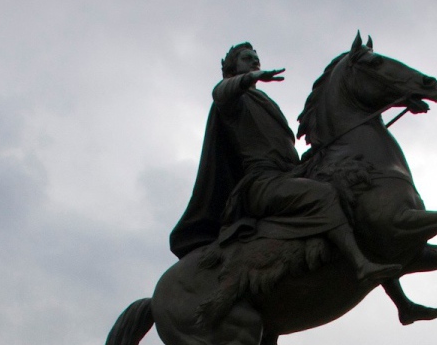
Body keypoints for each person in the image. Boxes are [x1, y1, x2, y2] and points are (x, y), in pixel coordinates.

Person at [171, 42, 401, 282]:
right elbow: (219, 92)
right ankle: (360, 264)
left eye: (255, 58)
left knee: (353, 192)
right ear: (232, 68)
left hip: (288, 174)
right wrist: (252, 77)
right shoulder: (233, 101)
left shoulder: (265, 102)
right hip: (261, 183)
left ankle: (400, 300)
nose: (254, 61)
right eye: (247, 59)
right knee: (324, 194)